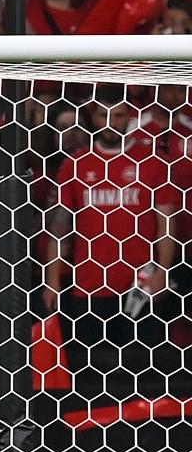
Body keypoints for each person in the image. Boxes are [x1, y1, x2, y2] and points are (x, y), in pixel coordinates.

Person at [45, 100, 179, 382]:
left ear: (129, 117)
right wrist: (52, 278)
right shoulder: (77, 163)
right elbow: (60, 226)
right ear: (93, 117)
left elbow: (166, 223)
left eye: (117, 116)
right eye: (103, 115)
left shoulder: (152, 161)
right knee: (90, 372)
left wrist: (163, 271)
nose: (110, 123)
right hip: (89, 285)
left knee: (143, 371)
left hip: (139, 284)